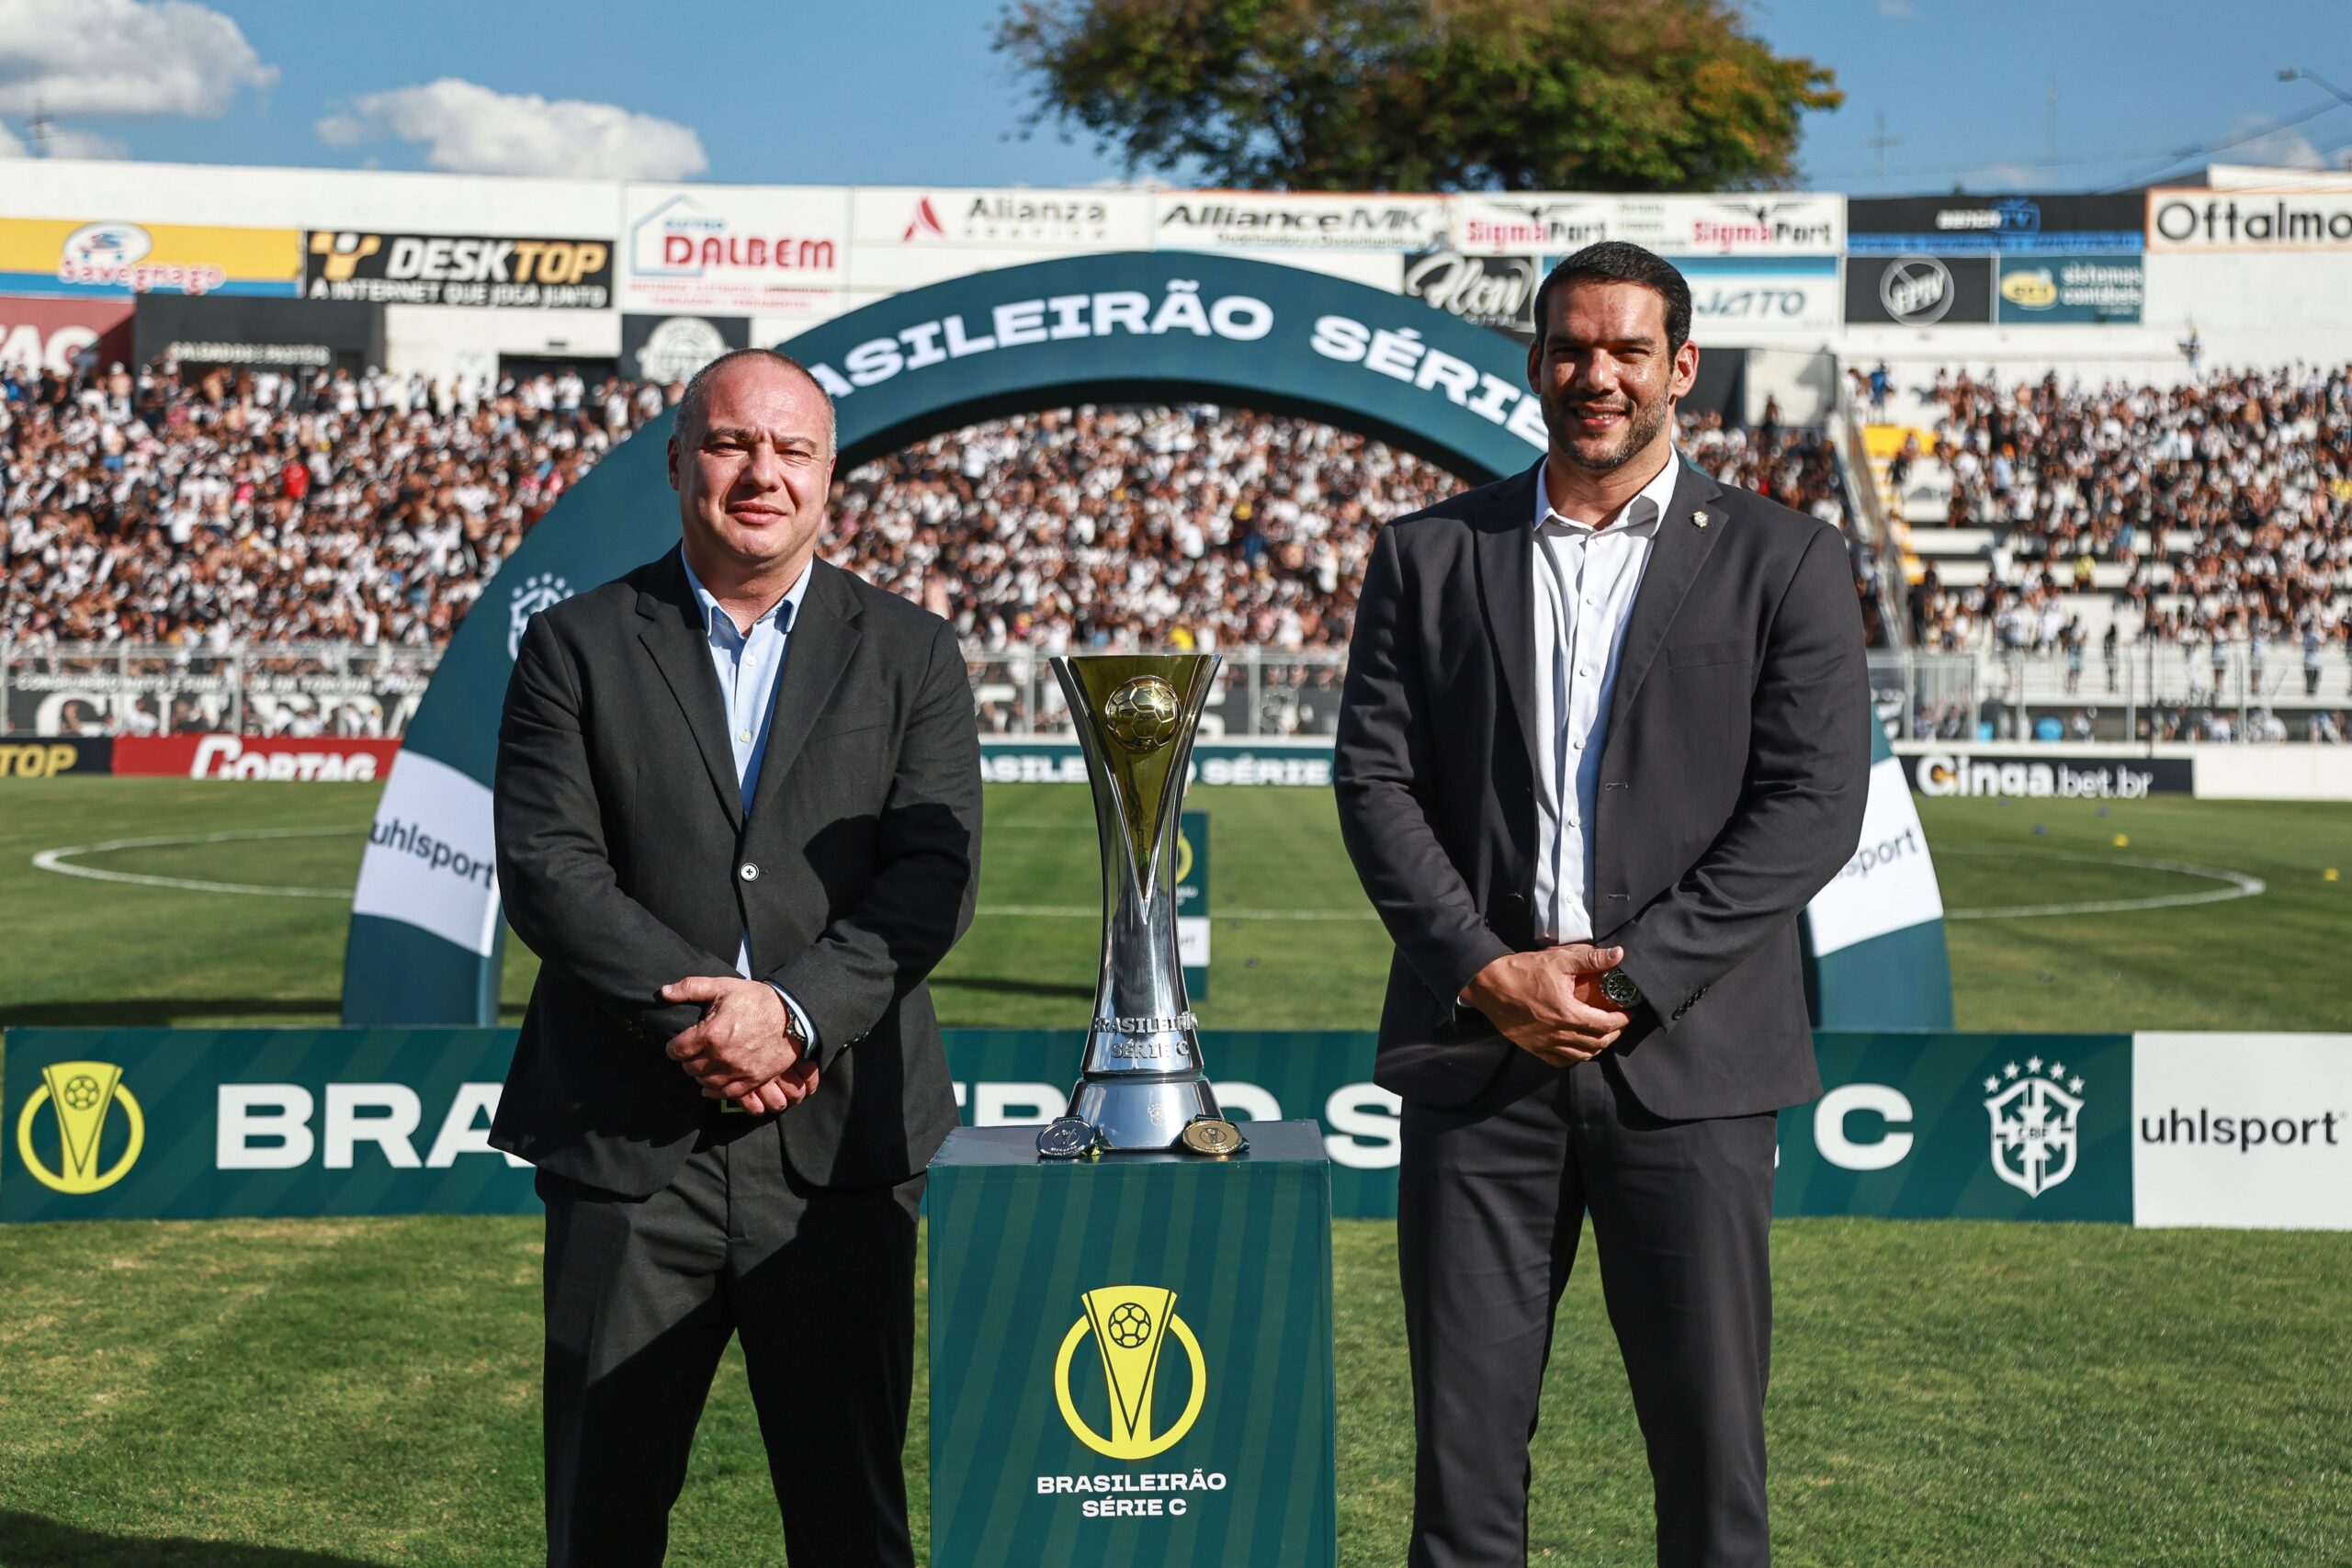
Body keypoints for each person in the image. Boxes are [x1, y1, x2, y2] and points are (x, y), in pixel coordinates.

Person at [1333, 241, 1869, 1568]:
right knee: (1461, 1483)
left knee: (1711, 1469)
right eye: (1573, 348)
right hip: (1479, 1061)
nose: (1598, 375)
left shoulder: (1786, 558)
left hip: (1691, 1067)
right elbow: (1375, 784)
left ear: (1680, 369)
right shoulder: (1428, 553)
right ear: (1534, 363)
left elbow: (1811, 808)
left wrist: (1627, 979)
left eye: (1629, 350)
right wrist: (1486, 970)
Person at [491, 347, 983, 1567]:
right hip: (627, 1140)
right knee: (601, 1520)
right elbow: (551, 871)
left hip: (841, 1145)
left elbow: (934, 879)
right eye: (730, 444)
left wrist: (795, 1014)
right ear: (679, 463)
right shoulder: (574, 643)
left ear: (829, 476)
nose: (763, 473)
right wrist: (709, 1029)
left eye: (792, 449)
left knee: (852, 1523)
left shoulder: (913, 651)